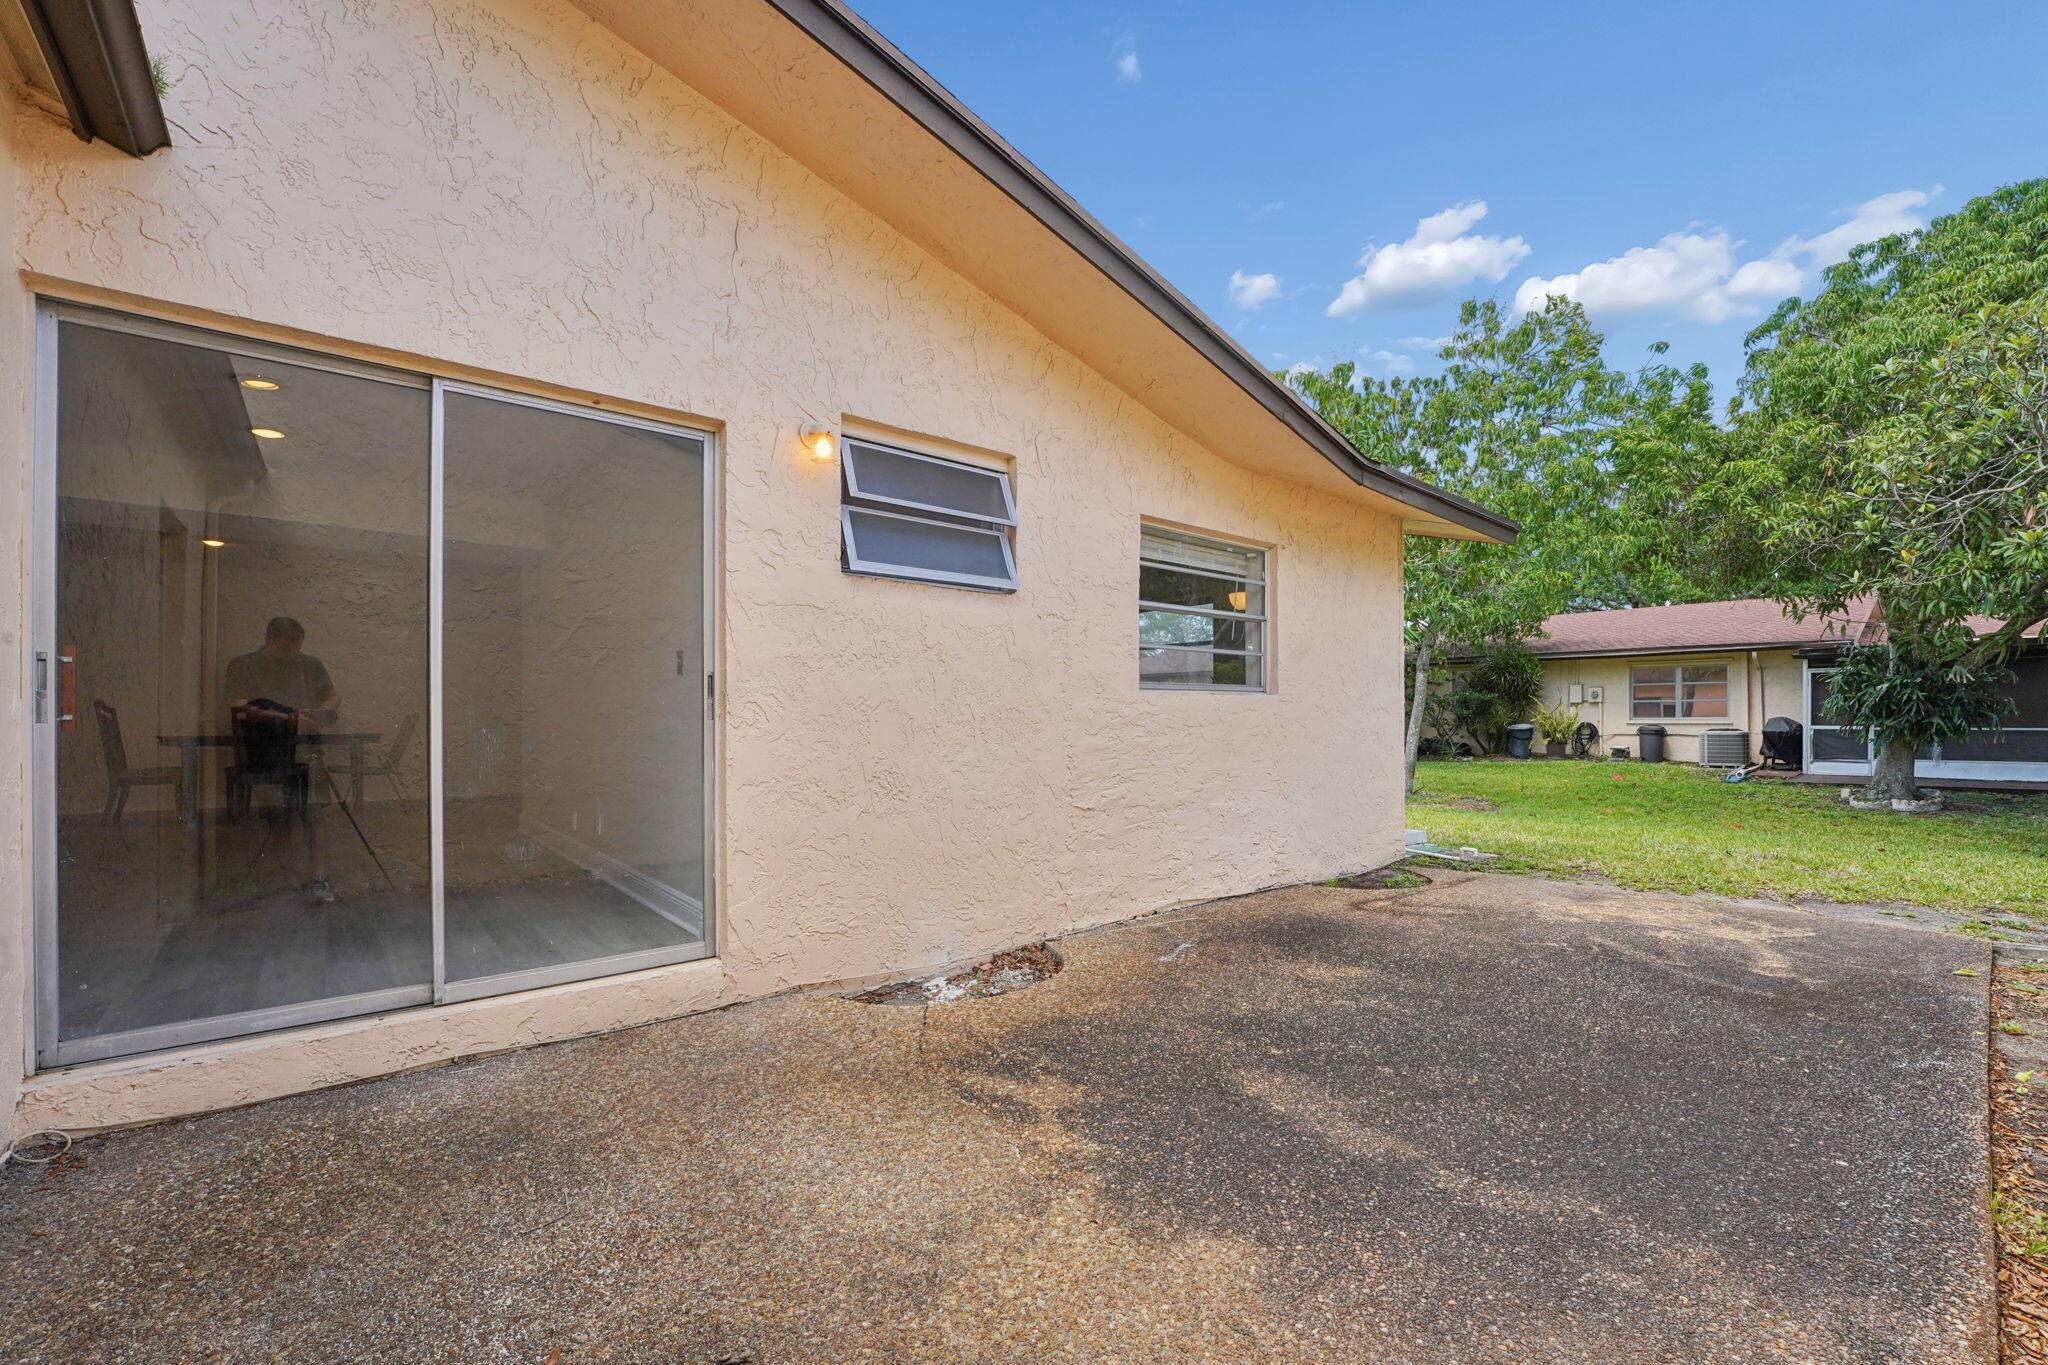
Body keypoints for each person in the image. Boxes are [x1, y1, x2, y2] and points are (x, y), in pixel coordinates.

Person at [225, 617, 340, 904]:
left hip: (306, 749)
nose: (292, 655)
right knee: (279, 813)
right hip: (265, 753)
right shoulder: (242, 665)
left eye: (297, 648)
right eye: (285, 649)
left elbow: (332, 696)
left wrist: (320, 711)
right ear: (269, 641)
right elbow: (238, 705)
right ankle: (288, 878)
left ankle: (319, 877)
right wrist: (288, 718)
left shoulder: (310, 665)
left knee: (315, 810)